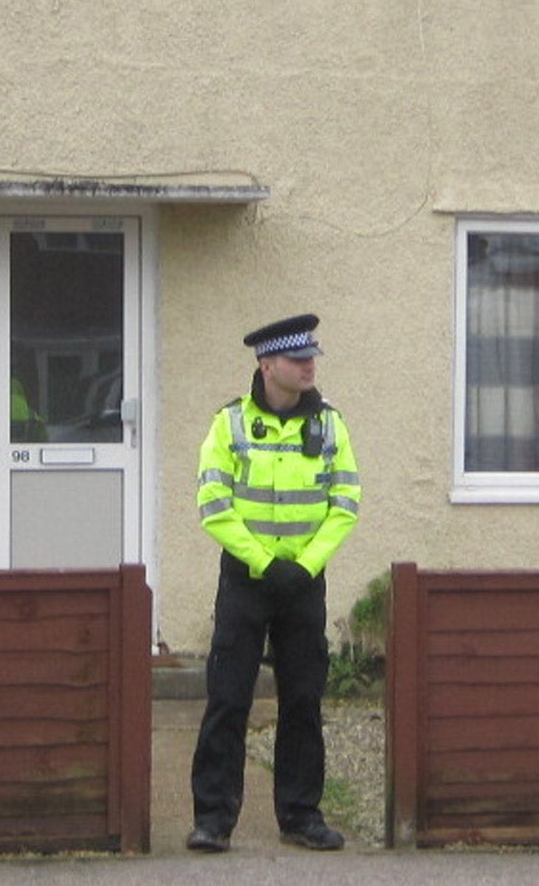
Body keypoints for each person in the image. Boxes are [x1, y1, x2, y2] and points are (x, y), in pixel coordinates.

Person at [187, 312, 361, 852]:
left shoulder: (330, 424)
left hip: (303, 583)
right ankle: (213, 820)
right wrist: (265, 562)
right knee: (228, 699)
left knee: (304, 700)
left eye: (312, 356)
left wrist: (305, 566)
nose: (310, 365)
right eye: (297, 358)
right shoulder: (230, 424)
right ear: (267, 365)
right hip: (246, 579)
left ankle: (301, 816)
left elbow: (346, 502)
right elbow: (213, 505)